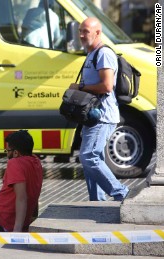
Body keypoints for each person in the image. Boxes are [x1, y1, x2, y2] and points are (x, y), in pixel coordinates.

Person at [69, 17, 129, 201]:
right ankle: (97, 202)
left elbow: (107, 86)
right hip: (92, 117)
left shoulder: (103, 54)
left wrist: (79, 88)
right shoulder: (91, 54)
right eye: (80, 30)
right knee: (92, 161)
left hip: (102, 116)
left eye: (85, 31)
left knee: (89, 157)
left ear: (97, 33)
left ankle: (122, 194)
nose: (81, 35)